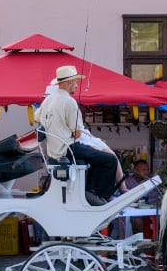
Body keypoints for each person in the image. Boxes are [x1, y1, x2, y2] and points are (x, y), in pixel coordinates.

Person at [36, 65, 118, 203]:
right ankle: (101, 195)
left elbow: (37, 118)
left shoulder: (48, 100)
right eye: (75, 82)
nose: (76, 85)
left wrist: (55, 127)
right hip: (69, 149)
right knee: (110, 159)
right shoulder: (69, 102)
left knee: (96, 156)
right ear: (68, 82)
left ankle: (91, 190)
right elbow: (77, 134)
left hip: (54, 151)